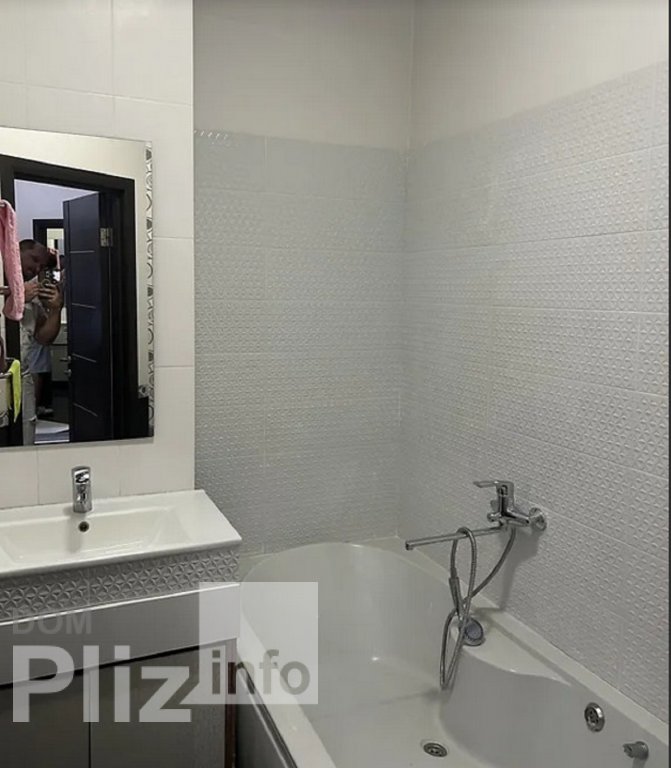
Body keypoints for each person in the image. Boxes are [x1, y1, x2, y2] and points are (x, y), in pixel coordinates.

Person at [18, 239, 63, 443]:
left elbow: (44, 338)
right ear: (17, 252)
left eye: (41, 266)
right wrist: (17, 297)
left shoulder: (33, 295)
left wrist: (55, 309)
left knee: (26, 433)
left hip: (22, 378)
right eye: (34, 260)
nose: (36, 269)